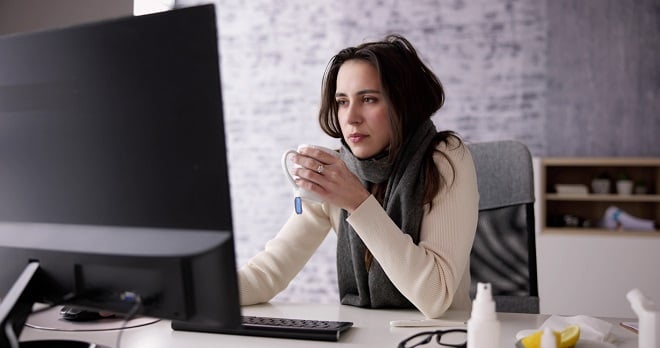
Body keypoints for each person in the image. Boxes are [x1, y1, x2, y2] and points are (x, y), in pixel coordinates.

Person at [238, 34, 479, 319]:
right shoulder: (338, 170)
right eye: (342, 101)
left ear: (403, 103)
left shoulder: (445, 158)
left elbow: (435, 295)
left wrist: (357, 202)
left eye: (368, 99)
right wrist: (192, 293)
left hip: (438, 337)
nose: (350, 117)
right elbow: (268, 273)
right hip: (367, 336)